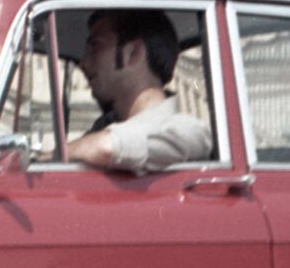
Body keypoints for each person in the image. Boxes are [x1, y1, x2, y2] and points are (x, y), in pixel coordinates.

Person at [64, 9, 213, 173]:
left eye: (95, 47)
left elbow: (107, 148)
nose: (83, 63)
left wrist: (61, 153)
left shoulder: (188, 130)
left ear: (132, 53)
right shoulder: (103, 127)